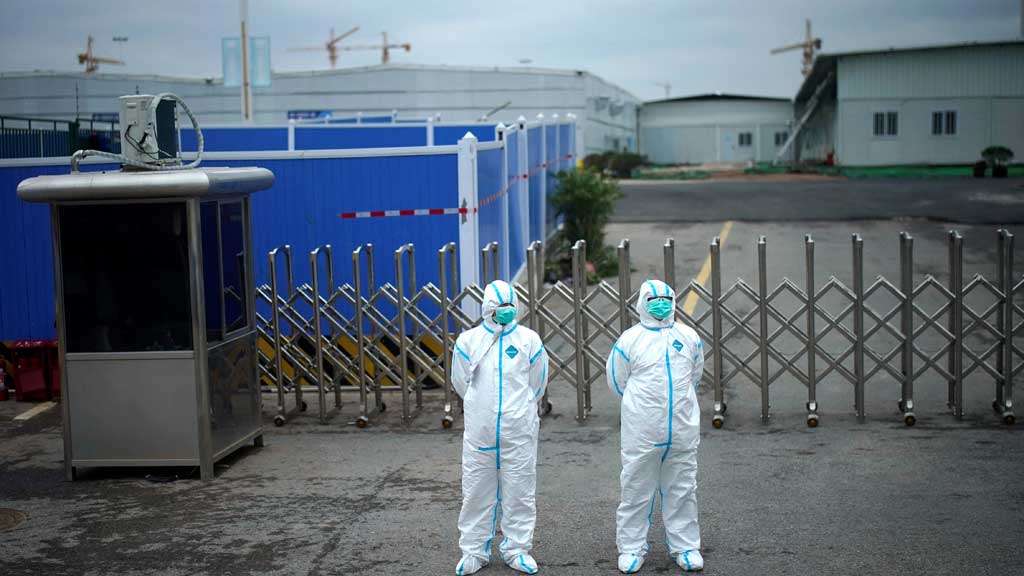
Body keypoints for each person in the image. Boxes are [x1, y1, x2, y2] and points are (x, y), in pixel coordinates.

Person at [606, 279, 705, 573]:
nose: (660, 304)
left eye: (666, 299)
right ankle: (631, 548)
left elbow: (695, 375)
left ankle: (686, 547)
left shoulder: (688, 336)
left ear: (673, 301)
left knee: (683, 489)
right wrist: (640, 408)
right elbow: (617, 381)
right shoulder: (630, 340)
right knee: (636, 490)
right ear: (642, 303)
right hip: (643, 432)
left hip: (682, 429)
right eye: (653, 300)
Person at [452, 280, 549, 575]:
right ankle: (473, 551)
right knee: (476, 492)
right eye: (500, 307)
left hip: (518, 433)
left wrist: (519, 410)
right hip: (480, 433)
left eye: (509, 305)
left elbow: (538, 383)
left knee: (520, 492)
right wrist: (481, 408)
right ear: (487, 308)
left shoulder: (529, 340)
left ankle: (517, 549)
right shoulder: (468, 341)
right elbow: (461, 383)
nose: (506, 310)